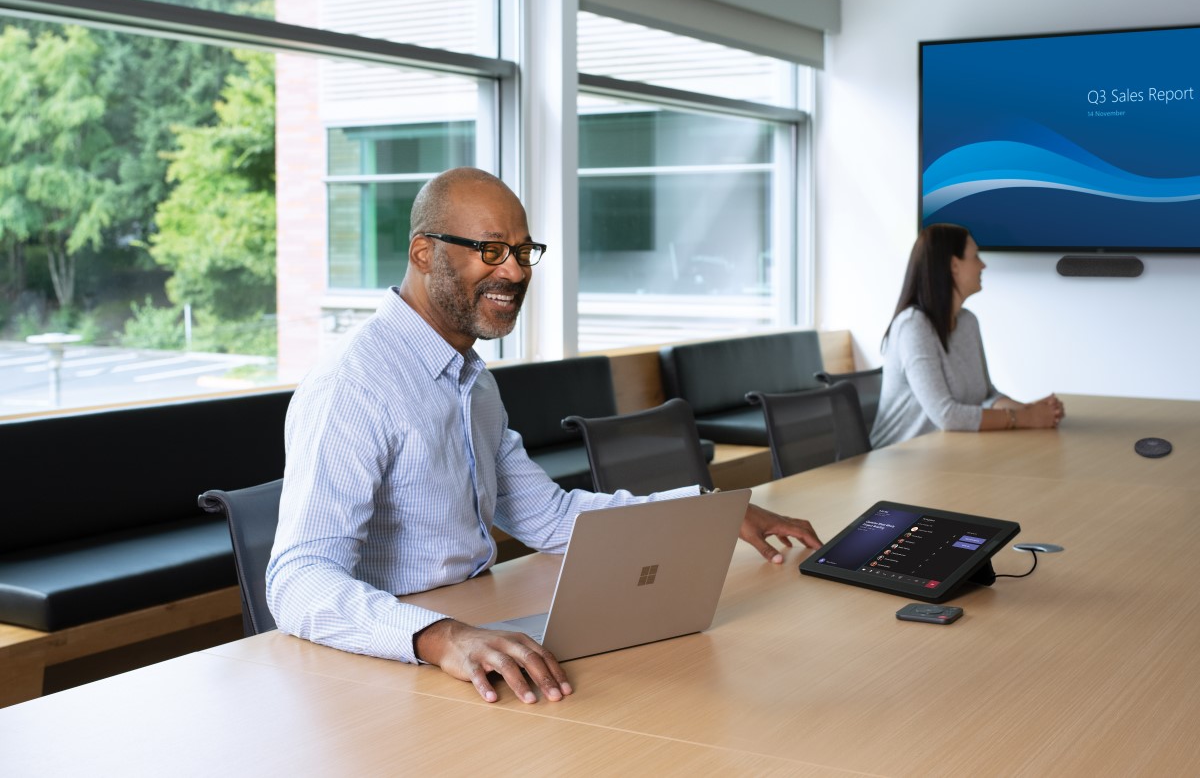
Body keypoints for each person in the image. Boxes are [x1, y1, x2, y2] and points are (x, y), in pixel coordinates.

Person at [266, 167, 822, 705]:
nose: (514, 271)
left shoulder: (472, 382)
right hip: (385, 670)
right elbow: (297, 582)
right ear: (423, 253)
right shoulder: (352, 384)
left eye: (523, 251)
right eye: (490, 250)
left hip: (471, 642)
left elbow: (549, 518)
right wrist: (443, 637)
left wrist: (703, 511)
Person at [869, 223, 1064, 449]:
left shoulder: (968, 322)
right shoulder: (913, 326)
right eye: (975, 256)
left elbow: (986, 396)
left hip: (946, 454)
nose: (983, 264)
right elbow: (947, 415)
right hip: (897, 462)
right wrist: (1023, 419)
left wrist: (1031, 411)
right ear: (954, 265)